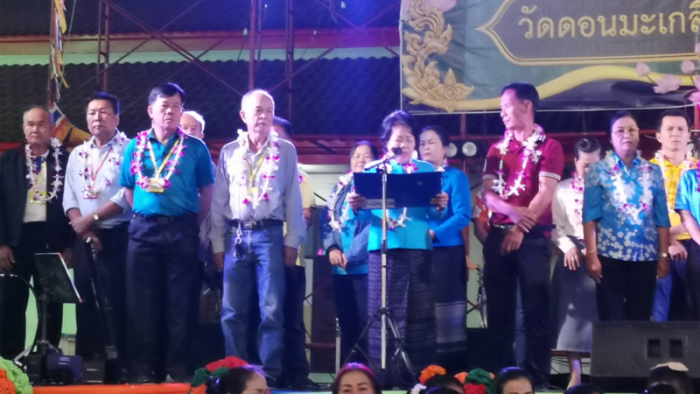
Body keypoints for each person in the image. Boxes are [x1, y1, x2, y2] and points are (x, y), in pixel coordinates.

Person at [120, 82, 215, 383]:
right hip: (143, 231)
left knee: (181, 302)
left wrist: (189, 223)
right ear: (151, 111)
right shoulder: (135, 146)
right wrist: (148, 213)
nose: (171, 112)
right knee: (141, 303)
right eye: (165, 106)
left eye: (177, 106)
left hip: (182, 231)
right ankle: (142, 367)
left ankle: (177, 368)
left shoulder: (195, 148)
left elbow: (207, 193)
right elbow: (127, 188)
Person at [210, 90, 305, 386]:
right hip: (236, 235)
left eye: (268, 110)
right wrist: (216, 243)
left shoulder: (286, 150)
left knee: (272, 309)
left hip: (271, 233)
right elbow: (218, 202)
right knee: (232, 310)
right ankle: (235, 376)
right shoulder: (228, 151)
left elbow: (293, 199)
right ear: (243, 116)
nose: (263, 116)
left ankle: (270, 376)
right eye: (257, 110)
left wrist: (293, 241)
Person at [347, 110, 449, 384]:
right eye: (397, 138)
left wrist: (441, 205)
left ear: (415, 143)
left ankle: (420, 377)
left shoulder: (427, 170)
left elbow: (435, 215)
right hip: (383, 249)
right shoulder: (373, 171)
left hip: (418, 248)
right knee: (383, 312)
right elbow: (362, 215)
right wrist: (355, 207)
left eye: (408, 138)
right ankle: (384, 376)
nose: (402, 143)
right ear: (387, 143)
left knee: (419, 312)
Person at [481, 83, 564, 389]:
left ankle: (537, 378)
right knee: (499, 311)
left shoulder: (550, 147)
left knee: (535, 309)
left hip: (533, 238)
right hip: (498, 235)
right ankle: (500, 377)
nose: (501, 113)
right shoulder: (495, 149)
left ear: (526, 105)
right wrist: (510, 212)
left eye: (506, 106)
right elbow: (487, 195)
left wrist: (519, 227)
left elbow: (545, 192)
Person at [63, 92, 131, 374]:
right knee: (85, 302)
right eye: (92, 112)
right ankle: (86, 364)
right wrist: (83, 226)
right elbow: (69, 197)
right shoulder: (78, 153)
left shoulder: (130, 149)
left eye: (104, 112)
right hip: (85, 237)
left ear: (116, 117)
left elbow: (127, 196)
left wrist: (90, 218)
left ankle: (119, 366)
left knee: (117, 300)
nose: (96, 117)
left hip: (118, 235)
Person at [0, 105, 74, 360]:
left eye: (41, 124)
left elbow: (75, 204)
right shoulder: (9, 160)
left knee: (52, 302)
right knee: (10, 302)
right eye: (30, 124)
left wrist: (70, 245)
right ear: (23, 128)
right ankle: (9, 361)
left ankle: (48, 359)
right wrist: (1, 244)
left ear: (51, 128)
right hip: (16, 241)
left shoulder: (65, 160)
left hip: (52, 239)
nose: (35, 129)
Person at [583, 111, 670, 322]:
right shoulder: (597, 171)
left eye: (631, 129)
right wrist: (592, 255)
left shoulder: (653, 171)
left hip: (645, 256)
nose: (626, 135)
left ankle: (637, 357)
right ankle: (611, 357)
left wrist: (663, 255)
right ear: (610, 137)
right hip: (609, 256)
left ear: (639, 135)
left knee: (640, 319)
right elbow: (589, 216)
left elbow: (662, 217)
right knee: (610, 320)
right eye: (620, 130)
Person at [418, 125, 471, 371]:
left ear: (445, 149)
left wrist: (434, 233)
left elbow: (462, 216)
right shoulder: (415, 177)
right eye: (422, 143)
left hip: (448, 253)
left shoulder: (456, 177)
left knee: (448, 313)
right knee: (422, 310)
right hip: (418, 251)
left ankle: (452, 372)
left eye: (431, 142)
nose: (425, 147)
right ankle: (424, 369)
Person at [271, 115, 317, 389]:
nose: (274, 143)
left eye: (279, 137)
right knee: (266, 317)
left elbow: (306, 216)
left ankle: (298, 375)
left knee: (292, 320)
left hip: (290, 257)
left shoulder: (300, 176)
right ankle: (266, 373)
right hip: (257, 258)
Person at [321, 141, 377, 364]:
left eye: (367, 156)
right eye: (356, 156)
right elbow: (327, 218)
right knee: (347, 324)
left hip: (365, 267)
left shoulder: (376, 188)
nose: (361, 160)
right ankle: (348, 374)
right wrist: (332, 248)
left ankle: (368, 375)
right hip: (341, 270)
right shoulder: (340, 188)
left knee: (367, 324)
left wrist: (351, 255)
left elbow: (375, 223)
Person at [551, 138, 601, 388]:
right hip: (573, 253)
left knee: (603, 314)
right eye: (585, 166)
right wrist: (569, 246)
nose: (590, 171)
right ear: (576, 164)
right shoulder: (562, 189)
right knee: (573, 318)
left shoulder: (612, 189)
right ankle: (575, 373)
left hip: (603, 252)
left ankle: (605, 370)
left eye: (595, 165)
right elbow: (555, 226)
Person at [650, 110, 697, 321]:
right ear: (658, 135)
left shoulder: (697, 171)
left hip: (695, 245)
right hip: (657, 245)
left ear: (689, 134)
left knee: (694, 309)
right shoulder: (645, 170)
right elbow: (639, 215)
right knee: (658, 311)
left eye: (681, 129)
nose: (676, 133)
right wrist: (668, 241)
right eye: (669, 129)